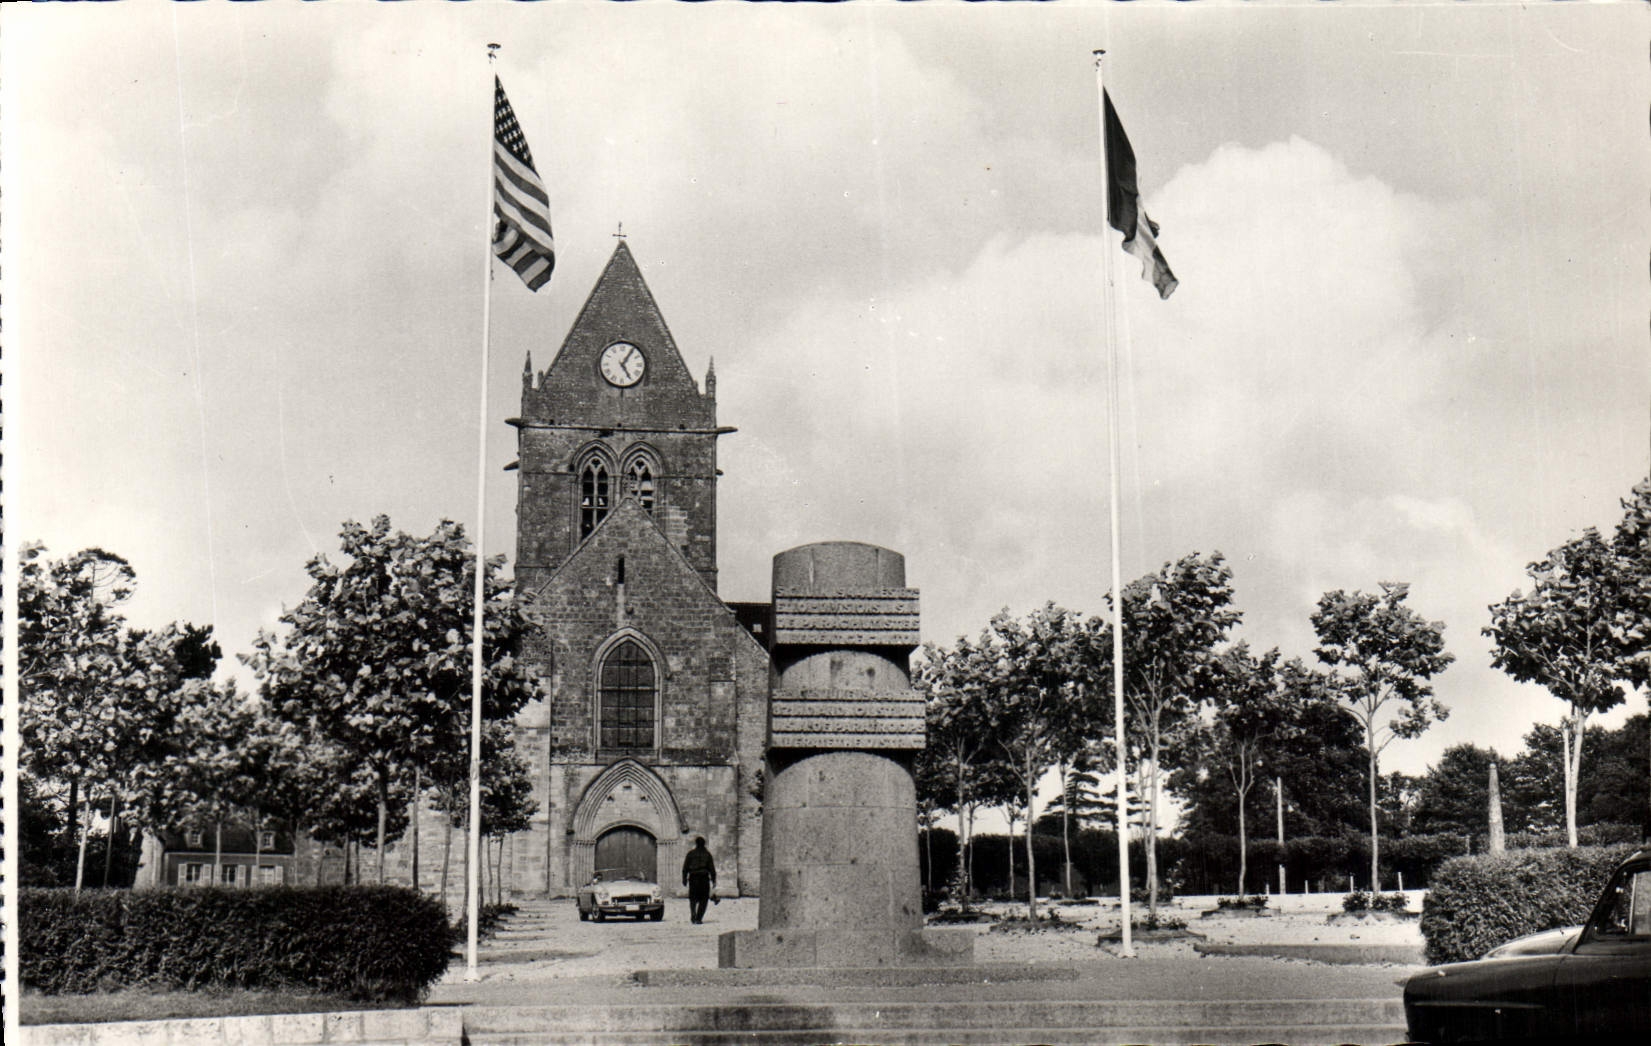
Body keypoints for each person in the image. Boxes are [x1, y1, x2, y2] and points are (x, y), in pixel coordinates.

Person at [681, 836, 717, 924]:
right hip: (704, 879)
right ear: (704, 844)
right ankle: (699, 918)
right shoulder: (707, 854)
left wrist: (684, 879)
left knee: (693, 898)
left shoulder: (690, 854)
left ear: (696, 843)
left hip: (693, 879)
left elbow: (685, 868)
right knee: (704, 899)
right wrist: (713, 880)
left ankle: (693, 914)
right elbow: (712, 869)